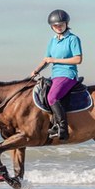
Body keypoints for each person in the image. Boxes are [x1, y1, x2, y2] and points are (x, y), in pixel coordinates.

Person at [31, 9, 83, 141]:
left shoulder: (73, 39)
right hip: (55, 75)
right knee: (41, 93)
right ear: (52, 27)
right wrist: (36, 70)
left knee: (52, 97)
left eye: (61, 24)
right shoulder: (52, 41)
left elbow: (78, 59)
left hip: (68, 74)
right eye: (55, 26)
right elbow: (46, 59)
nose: (58, 27)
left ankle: (62, 128)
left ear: (66, 24)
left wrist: (55, 60)